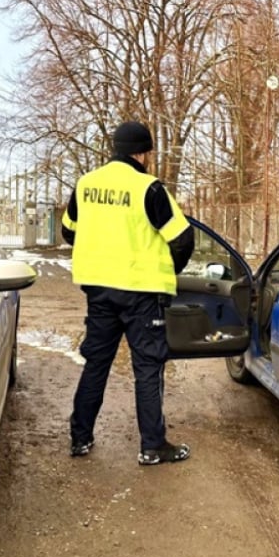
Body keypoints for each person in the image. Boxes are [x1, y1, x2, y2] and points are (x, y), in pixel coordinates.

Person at [62, 120, 195, 465]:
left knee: (96, 364)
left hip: (99, 292)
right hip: (142, 294)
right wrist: (168, 270)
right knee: (148, 368)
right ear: (143, 152)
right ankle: (152, 446)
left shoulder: (86, 184)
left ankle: (80, 438)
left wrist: (100, 250)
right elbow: (182, 238)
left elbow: (68, 231)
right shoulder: (149, 189)